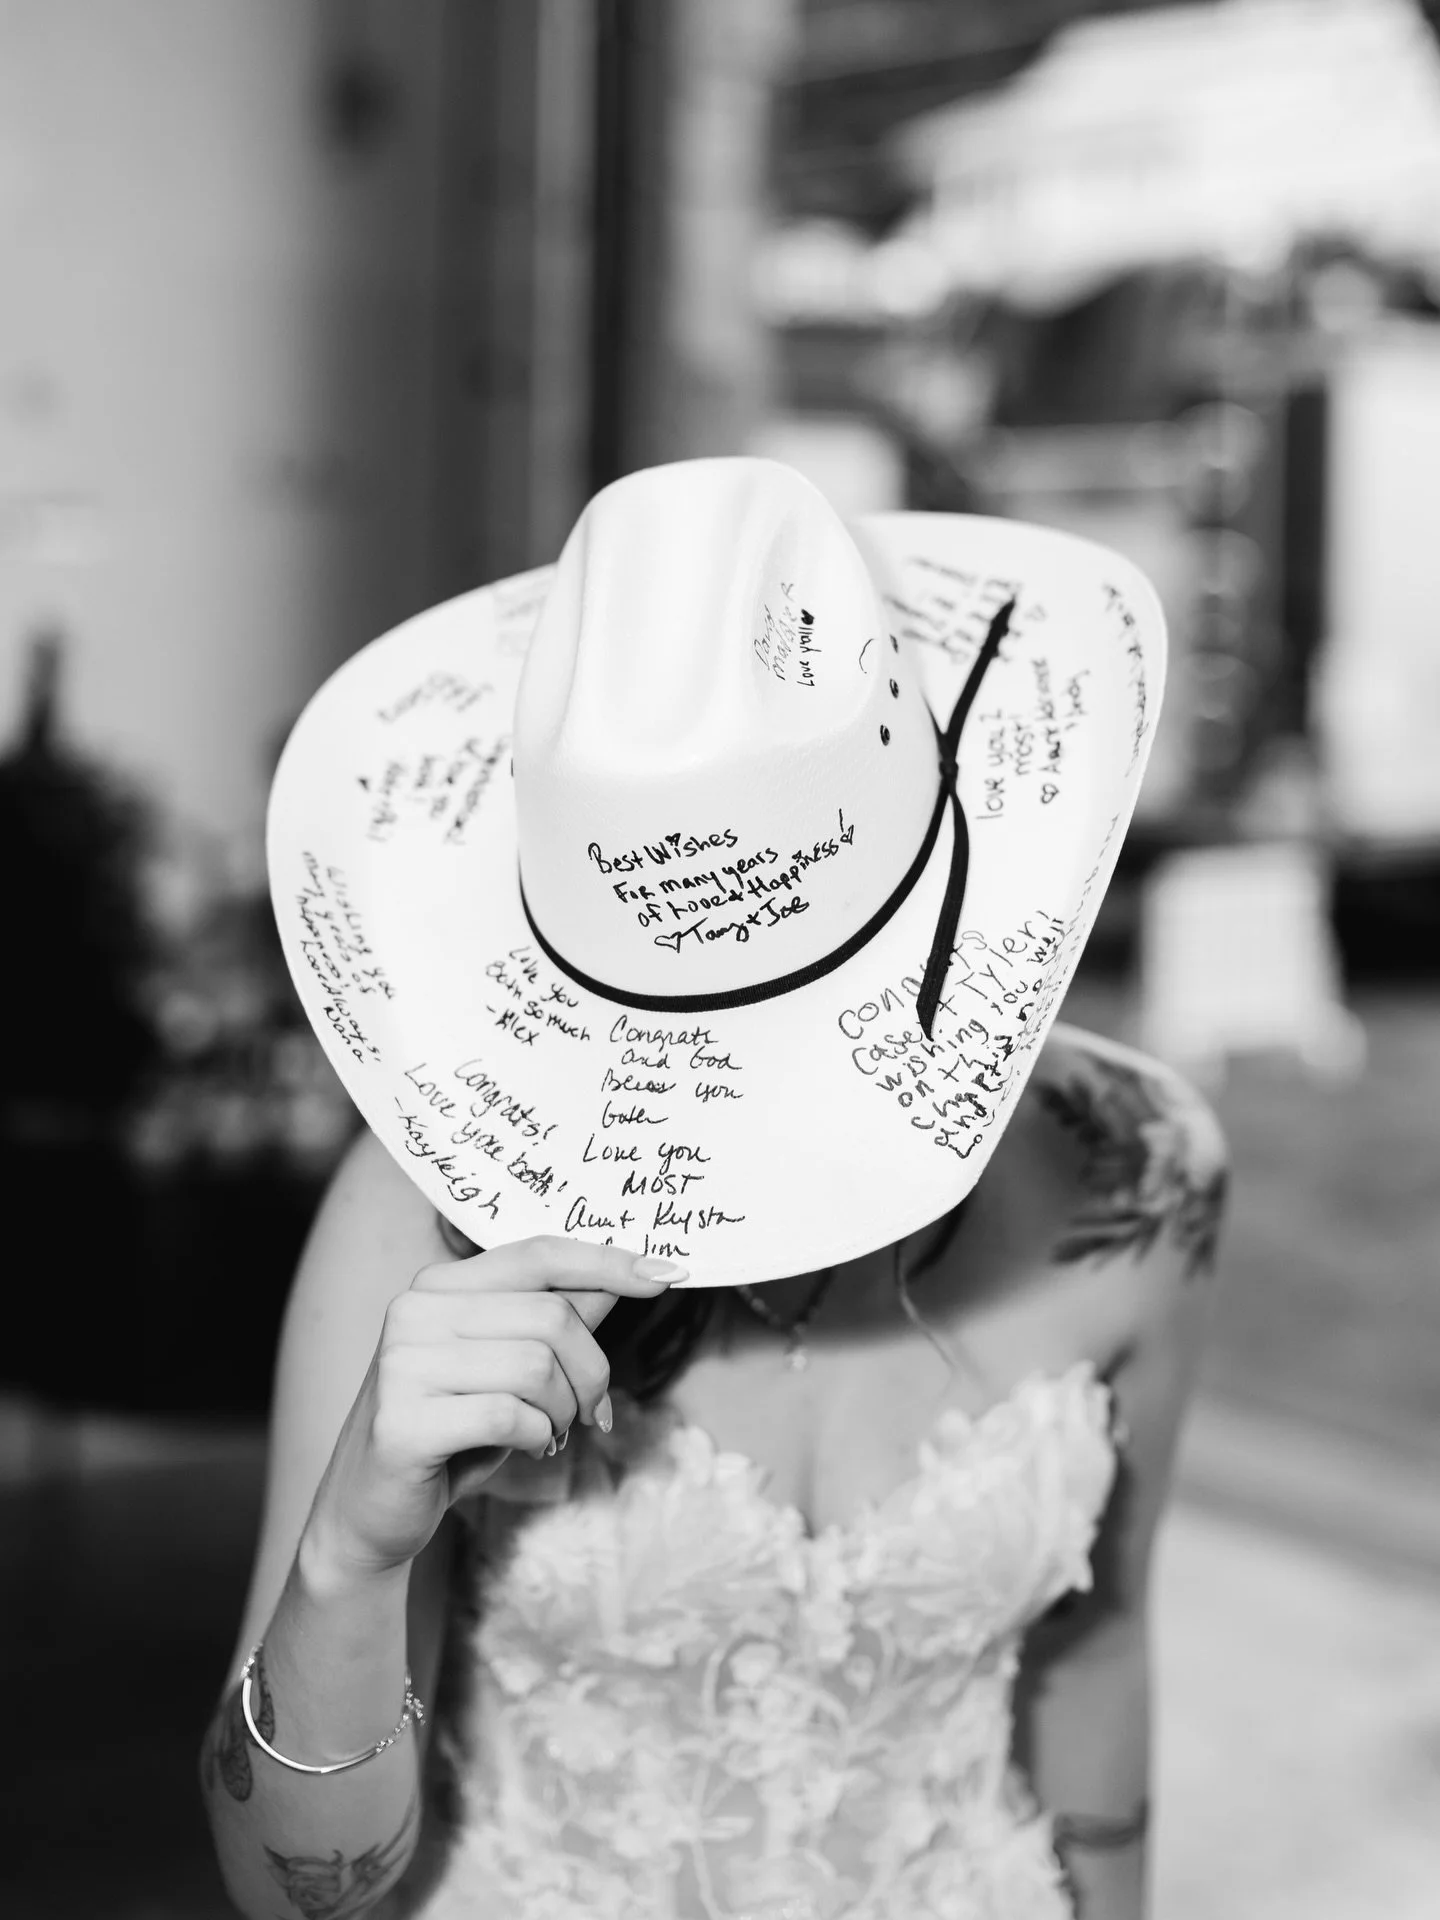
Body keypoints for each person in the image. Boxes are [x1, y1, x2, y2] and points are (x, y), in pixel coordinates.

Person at [200, 459, 1227, 1920]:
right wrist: (350, 1561)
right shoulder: (422, 1217)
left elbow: (1098, 1642)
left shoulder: (1145, 1180)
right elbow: (294, 1897)